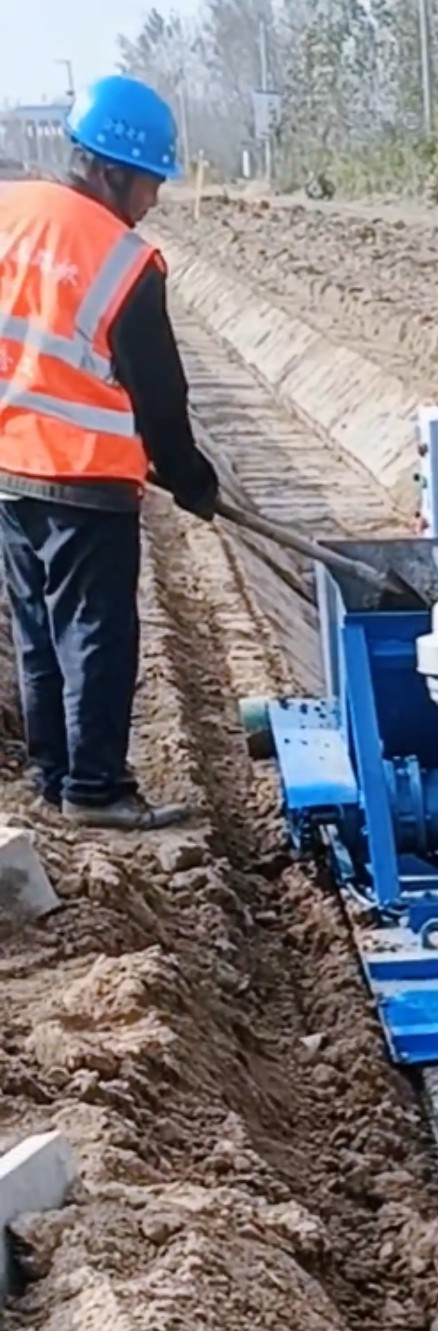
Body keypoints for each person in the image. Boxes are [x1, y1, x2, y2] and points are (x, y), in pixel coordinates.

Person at [0, 74, 220, 831]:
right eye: (150, 183)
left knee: (36, 629)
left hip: (11, 466)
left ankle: (53, 771)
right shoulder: (125, 262)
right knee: (96, 633)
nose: (152, 201)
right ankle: (94, 790)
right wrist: (191, 479)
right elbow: (161, 396)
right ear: (110, 169)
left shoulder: (8, 211)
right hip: (86, 482)